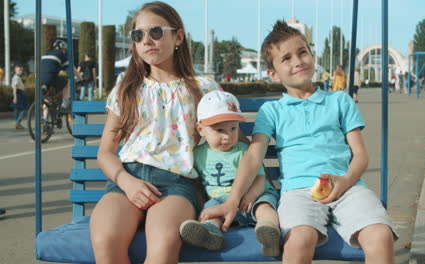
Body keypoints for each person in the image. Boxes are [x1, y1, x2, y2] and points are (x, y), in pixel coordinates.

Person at [200, 20, 398, 263]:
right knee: (298, 239)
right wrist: (233, 200)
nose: (298, 61)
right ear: (272, 73)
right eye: (286, 58)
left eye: (302, 52)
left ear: (312, 55)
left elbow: (360, 155)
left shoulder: (340, 101)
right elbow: (253, 156)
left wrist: (346, 181)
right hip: (298, 191)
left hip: (348, 186)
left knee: (380, 235)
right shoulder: (271, 110)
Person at [88, 2, 225, 263]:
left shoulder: (203, 89)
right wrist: (126, 183)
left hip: (175, 184)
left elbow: (232, 140)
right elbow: (105, 153)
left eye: (156, 32)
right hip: (127, 179)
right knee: (105, 240)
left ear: (178, 36)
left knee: (162, 247)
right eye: (138, 35)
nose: (147, 40)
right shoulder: (126, 89)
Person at [179, 90, 281, 256]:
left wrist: (251, 196)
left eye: (233, 128)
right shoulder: (198, 155)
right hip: (221, 201)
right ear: (201, 129)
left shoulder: (244, 151)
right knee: (210, 210)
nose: (227, 136)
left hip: (254, 196)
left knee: (265, 207)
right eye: (220, 130)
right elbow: (196, 183)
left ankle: (269, 231)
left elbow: (260, 178)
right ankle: (211, 233)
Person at [41, 39, 81, 110]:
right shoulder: (61, 54)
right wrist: (80, 78)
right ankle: (64, 104)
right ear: (61, 48)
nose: (64, 51)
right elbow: (72, 68)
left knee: (47, 101)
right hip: (50, 77)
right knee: (67, 83)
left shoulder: (46, 53)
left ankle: (45, 118)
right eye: (64, 49)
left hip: (40, 78)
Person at [9, 65, 29, 130]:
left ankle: (18, 123)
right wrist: (15, 97)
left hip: (19, 93)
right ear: (15, 70)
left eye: (21, 70)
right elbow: (15, 87)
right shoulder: (16, 78)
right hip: (18, 93)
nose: (21, 71)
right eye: (19, 70)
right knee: (24, 108)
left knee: (17, 109)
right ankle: (18, 122)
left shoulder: (17, 77)